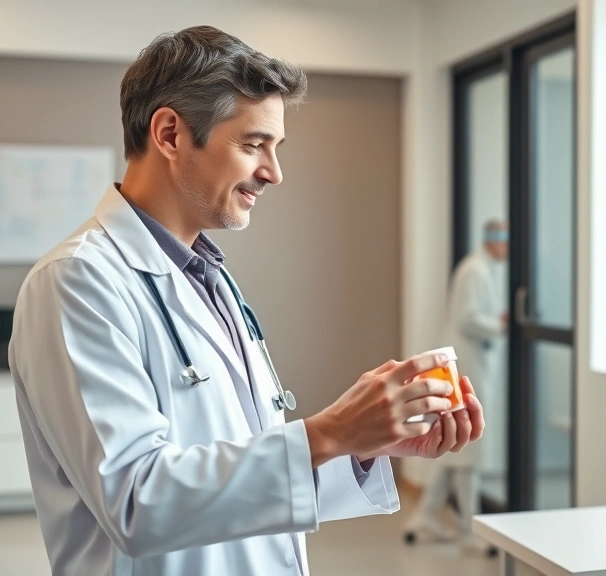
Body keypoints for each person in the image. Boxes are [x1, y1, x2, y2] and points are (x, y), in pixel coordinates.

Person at [7, 26, 484, 576]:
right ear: (170, 134)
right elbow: (137, 504)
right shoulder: (76, 282)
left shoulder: (209, 280)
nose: (273, 173)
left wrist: (362, 447)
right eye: (253, 144)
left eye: (275, 149)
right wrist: (329, 430)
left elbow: (242, 477)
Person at [404, 220, 508, 553]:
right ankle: (470, 531)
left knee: (456, 449)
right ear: (494, 240)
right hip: (467, 366)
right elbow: (467, 318)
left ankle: (425, 517)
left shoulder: (480, 268)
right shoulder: (475, 271)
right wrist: (500, 325)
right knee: (468, 452)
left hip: (469, 363)